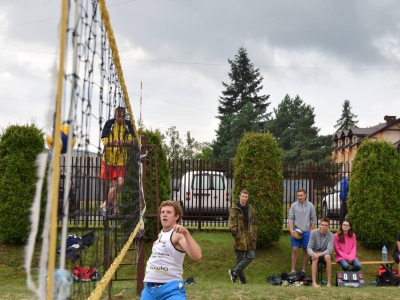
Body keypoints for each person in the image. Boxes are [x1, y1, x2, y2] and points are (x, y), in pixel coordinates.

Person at [141, 200, 202, 300]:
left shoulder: (178, 235)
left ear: (176, 216)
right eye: (162, 212)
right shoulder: (160, 235)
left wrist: (186, 233)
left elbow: (197, 255)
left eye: (168, 212)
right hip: (150, 290)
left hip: (170, 290)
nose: (164, 214)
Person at [99, 107, 135, 217]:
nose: (120, 119)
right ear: (115, 116)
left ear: (124, 116)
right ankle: (115, 211)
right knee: (113, 185)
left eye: (122, 117)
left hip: (121, 160)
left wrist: (123, 143)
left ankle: (104, 205)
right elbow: (104, 140)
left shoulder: (128, 125)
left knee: (120, 183)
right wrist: (113, 142)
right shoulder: (109, 124)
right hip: (109, 159)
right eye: (118, 116)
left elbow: (132, 140)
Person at [228, 189, 258, 284]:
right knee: (239, 259)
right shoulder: (234, 209)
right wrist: (236, 235)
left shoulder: (250, 208)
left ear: (247, 198)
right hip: (239, 238)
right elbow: (231, 223)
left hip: (250, 238)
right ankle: (242, 280)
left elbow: (254, 222)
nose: (244, 198)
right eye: (242, 196)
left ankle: (234, 272)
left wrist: (254, 233)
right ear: (239, 196)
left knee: (251, 256)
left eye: (246, 197)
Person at [288, 188, 317, 277]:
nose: (299, 197)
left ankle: (303, 270)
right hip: (296, 231)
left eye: (301, 195)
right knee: (295, 249)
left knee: (305, 250)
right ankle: (293, 270)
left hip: (306, 232)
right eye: (298, 196)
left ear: (305, 195)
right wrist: (290, 229)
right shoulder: (294, 205)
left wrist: (310, 230)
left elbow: (313, 219)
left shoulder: (310, 206)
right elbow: (290, 218)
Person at [307, 217, 334, 287]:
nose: (324, 227)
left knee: (328, 256)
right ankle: (314, 283)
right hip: (315, 253)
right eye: (322, 224)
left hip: (324, 254)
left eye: (326, 225)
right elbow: (309, 247)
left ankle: (329, 282)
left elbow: (329, 250)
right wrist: (312, 253)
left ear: (328, 226)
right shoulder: (313, 232)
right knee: (315, 257)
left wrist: (319, 254)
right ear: (320, 225)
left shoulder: (331, 235)